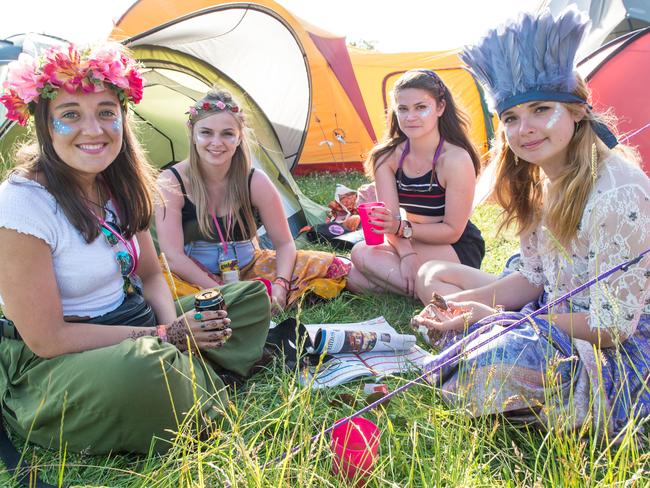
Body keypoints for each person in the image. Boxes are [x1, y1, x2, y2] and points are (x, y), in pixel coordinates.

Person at [0, 43, 270, 455]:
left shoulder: (118, 184)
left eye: (106, 112)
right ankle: (188, 378)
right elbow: (48, 339)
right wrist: (167, 335)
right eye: (70, 115)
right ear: (43, 124)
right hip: (60, 358)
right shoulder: (20, 204)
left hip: (136, 322)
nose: (94, 130)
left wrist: (175, 333)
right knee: (146, 369)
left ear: (123, 118)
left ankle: (185, 373)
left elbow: (149, 275)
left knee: (248, 298)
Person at [411, 8, 650, 439]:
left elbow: (612, 328)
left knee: (485, 364)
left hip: (620, 347)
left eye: (541, 109)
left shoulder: (619, 190)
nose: (525, 129)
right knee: (449, 311)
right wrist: (473, 309)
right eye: (512, 117)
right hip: (552, 316)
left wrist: (497, 320)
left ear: (577, 111)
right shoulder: (538, 180)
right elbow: (534, 278)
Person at [155, 88, 350, 313]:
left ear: (239, 136)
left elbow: (285, 243)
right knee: (164, 292)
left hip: (248, 268)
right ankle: (240, 304)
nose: (216, 143)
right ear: (191, 132)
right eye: (206, 132)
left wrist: (281, 284)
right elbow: (174, 256)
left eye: (227, 133)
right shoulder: (171, 181)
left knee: (332, 266)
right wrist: (224, 292)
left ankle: (256, 301)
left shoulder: (254, 179)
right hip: (193, 277)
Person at [346, 69, 485, 297]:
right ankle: (434, 288)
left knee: (362, 265)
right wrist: (406, 254)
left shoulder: (455, 159)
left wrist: (401, 231)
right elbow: (387, 222)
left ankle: (442, 289)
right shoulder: (386, 158)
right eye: (403, 109)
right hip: (407, 241)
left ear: (440, 108)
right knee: (358, 259)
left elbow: (451, 231)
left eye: (421, 107)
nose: (410, 117)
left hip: (454, 246)